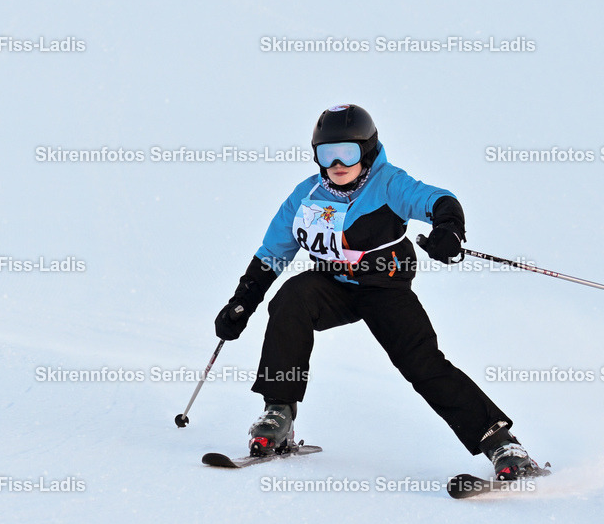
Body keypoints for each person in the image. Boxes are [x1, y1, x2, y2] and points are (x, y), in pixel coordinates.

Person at [214, 104, 541, 479]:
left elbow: (438, 200)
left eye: (348, 152)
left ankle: (502, 444)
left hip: (384, 286)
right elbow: (272, 253)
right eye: (327, 153)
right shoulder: (306, 196)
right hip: (334, 286)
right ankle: (279, 411)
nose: (338, 163)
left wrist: (448, 229)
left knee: (421, 362)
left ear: (367, 150)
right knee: (293, 296)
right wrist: (242, 302)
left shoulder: (388, 183)